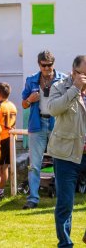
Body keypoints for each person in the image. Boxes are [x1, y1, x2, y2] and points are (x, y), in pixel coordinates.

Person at [47, 55, 86, 247]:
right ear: (74, 71)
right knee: (65, 203)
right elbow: (53, 109)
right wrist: (75, 90)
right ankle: (65, 243)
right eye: (83, 74)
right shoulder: (60, 86)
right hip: (66, 154)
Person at [21, 50, 66, 209]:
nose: (47, 68)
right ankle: (33, 198)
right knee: (34, 163)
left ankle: (63, 196)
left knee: (60, 162)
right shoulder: (31, 80)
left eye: (49, 65)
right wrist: (29, 99)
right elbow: (24, 104)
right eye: (44, 65)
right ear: (39, 64)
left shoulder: (63, 80)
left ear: (54, 64)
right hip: (37, 123)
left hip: (57, 123)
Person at [0, 82, 17, 200]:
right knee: (6, 167)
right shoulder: (13, 105)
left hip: (1, 138)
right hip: (11, 137)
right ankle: (0, 191)